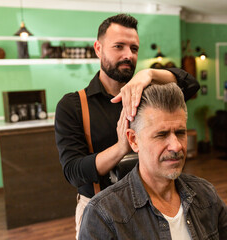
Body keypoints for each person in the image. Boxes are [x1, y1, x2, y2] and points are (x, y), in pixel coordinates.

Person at [54, 14, 199, 239]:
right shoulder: (73, 105)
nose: (128, 55)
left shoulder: (147, 96)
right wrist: (122, 147)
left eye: (134, 48)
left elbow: (190, 84)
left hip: (154, 204)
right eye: (118, 46)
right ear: (98, 48)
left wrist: (148, 74)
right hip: (98, 209)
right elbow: (74, 172)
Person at [79, 83, 227, 240]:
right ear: (133, 140)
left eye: (180, 133)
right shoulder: (103, 214)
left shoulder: (205, 194)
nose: (176, 146)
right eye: (161, 135)